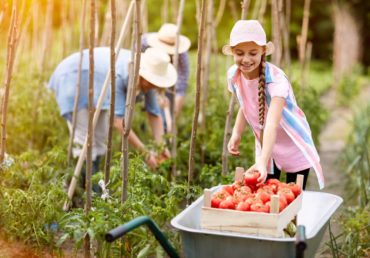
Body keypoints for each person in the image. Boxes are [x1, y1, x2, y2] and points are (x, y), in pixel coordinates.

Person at [224, 20, 324, 190]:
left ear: (263, 51)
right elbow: (245, 103)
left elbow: (272, 123)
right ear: (232, 52)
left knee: (293, 197)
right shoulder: (234, 74)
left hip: (291, 141)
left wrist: (262, 161)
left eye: (253, 53)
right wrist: (236, 132)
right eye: (240, 53)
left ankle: (295, 217)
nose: (246, 59)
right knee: (266, 196)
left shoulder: (276, 81)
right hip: (266, 142)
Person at [48, 47, 177, 174]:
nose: (152, 87)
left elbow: (154, 114)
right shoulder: (121, 74)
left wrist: (162, 147)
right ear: (142, 75)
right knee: (85, 138)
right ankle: (85, 186)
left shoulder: (149, 78)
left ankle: (93, 179)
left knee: (100, 137)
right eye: (151, 83)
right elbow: (118, 122)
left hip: (98, 83)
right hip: (73, 77)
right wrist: (145, 152)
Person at [142, 23, 191, 123]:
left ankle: (164, 125)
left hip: (169, 82)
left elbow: (181, 86)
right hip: (145, 76)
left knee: (167, 109)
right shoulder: (144, 42)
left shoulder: (182, 56)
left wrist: (172, 115)